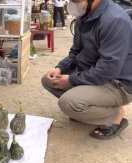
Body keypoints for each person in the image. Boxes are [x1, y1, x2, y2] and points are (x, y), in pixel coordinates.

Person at [41, 0, 132, 140]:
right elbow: (75, 51)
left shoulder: (115, 20)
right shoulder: (84, 16)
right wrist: (60, 68)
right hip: (94, 72)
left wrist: (71, 80)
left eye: (76, 0)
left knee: (69, 102)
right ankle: (86, 109)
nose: (72, 3)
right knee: (49, 79)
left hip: (118, 82)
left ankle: (115, 116)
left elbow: (108, 68)